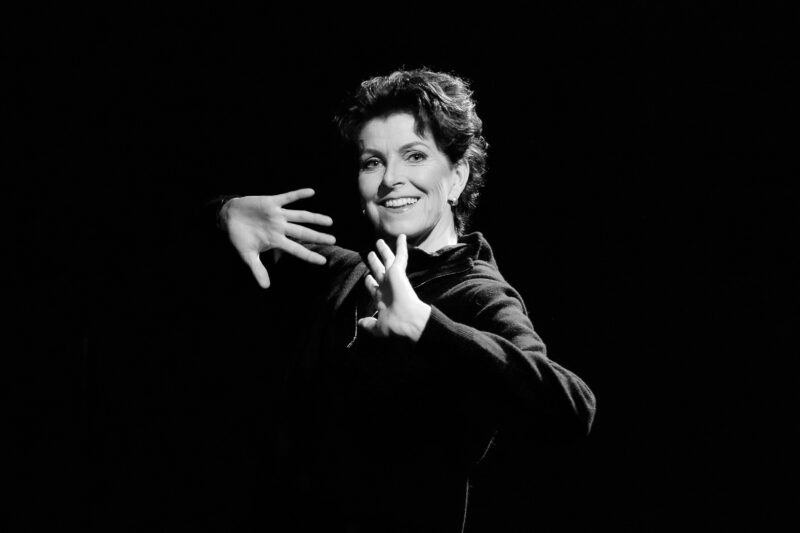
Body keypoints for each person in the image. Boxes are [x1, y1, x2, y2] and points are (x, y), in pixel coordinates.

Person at [217, 69, 596, 532]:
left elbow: (573, 408)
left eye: (414, 156)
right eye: (372, 162)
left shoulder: (477, 291)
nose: (390, 179)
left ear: (457, 178)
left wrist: (424, 325)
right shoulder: (345, 270)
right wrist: (226, 213)